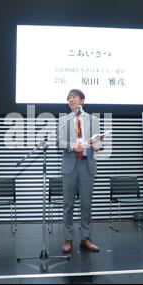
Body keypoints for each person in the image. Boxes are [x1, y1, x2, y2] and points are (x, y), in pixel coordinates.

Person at [57, 89, 101, 253]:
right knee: (68, 205)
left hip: (87, 165)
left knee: (86, 204)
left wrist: (98, 146)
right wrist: (71, 145)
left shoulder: (93, 119)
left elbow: (97, 141)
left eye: (74, 97)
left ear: (82, 100)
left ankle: (86, 239)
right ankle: (68, 239)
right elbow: (59, 142)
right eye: (68, 98)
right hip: (70, 165)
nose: (70, 99)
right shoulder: (64, 120)